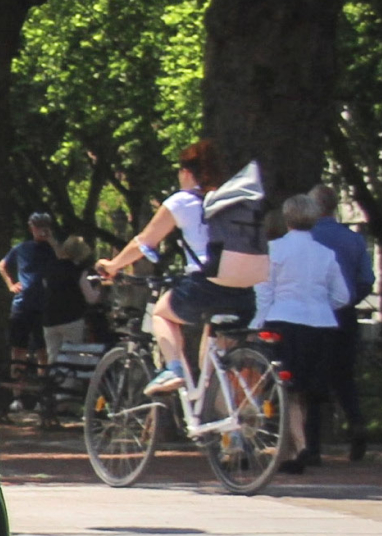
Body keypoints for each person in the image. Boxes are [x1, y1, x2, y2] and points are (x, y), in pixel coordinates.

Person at [96, 140, 267, 395]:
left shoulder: (181, 201)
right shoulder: (228, 203)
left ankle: (173, 370)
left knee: (162, 313)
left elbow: (144, 242)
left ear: (186, 172)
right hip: (243, 291)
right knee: (214, 364)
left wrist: (112, 265)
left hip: (206, 287)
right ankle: (232, 423)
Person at [256, 191, 353, 472]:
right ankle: (294, 447)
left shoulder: (274, 250)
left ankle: (298, 447)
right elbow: (342, 295)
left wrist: (259, 322)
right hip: (321, 325)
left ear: (286, 218)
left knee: (285, 387)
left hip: (284, 321)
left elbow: (264, 290)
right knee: (307, 390)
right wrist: (322, 305)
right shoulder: (325, 254)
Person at [309, 185, 374, 461]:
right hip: (344, 314)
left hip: (311, 314)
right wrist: (349, 300)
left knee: (310, 377)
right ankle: (356, 423)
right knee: (344, 376)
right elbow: (367, 280)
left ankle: (311, 445)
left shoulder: (307, 238)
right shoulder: (354, 240)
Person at [0, 213, 59, 362]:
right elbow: (2, 265)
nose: (41, 230)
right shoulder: (22, 248)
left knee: (43, 348)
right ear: (31, 228)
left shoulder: (53, 249)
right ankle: (17, 381)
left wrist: (51, 240)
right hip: (22, 304)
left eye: (45, 227)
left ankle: (43, 379)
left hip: (44, 305)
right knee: (18, 348)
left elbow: (63, 259)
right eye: (38, 227)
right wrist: (10, 284)